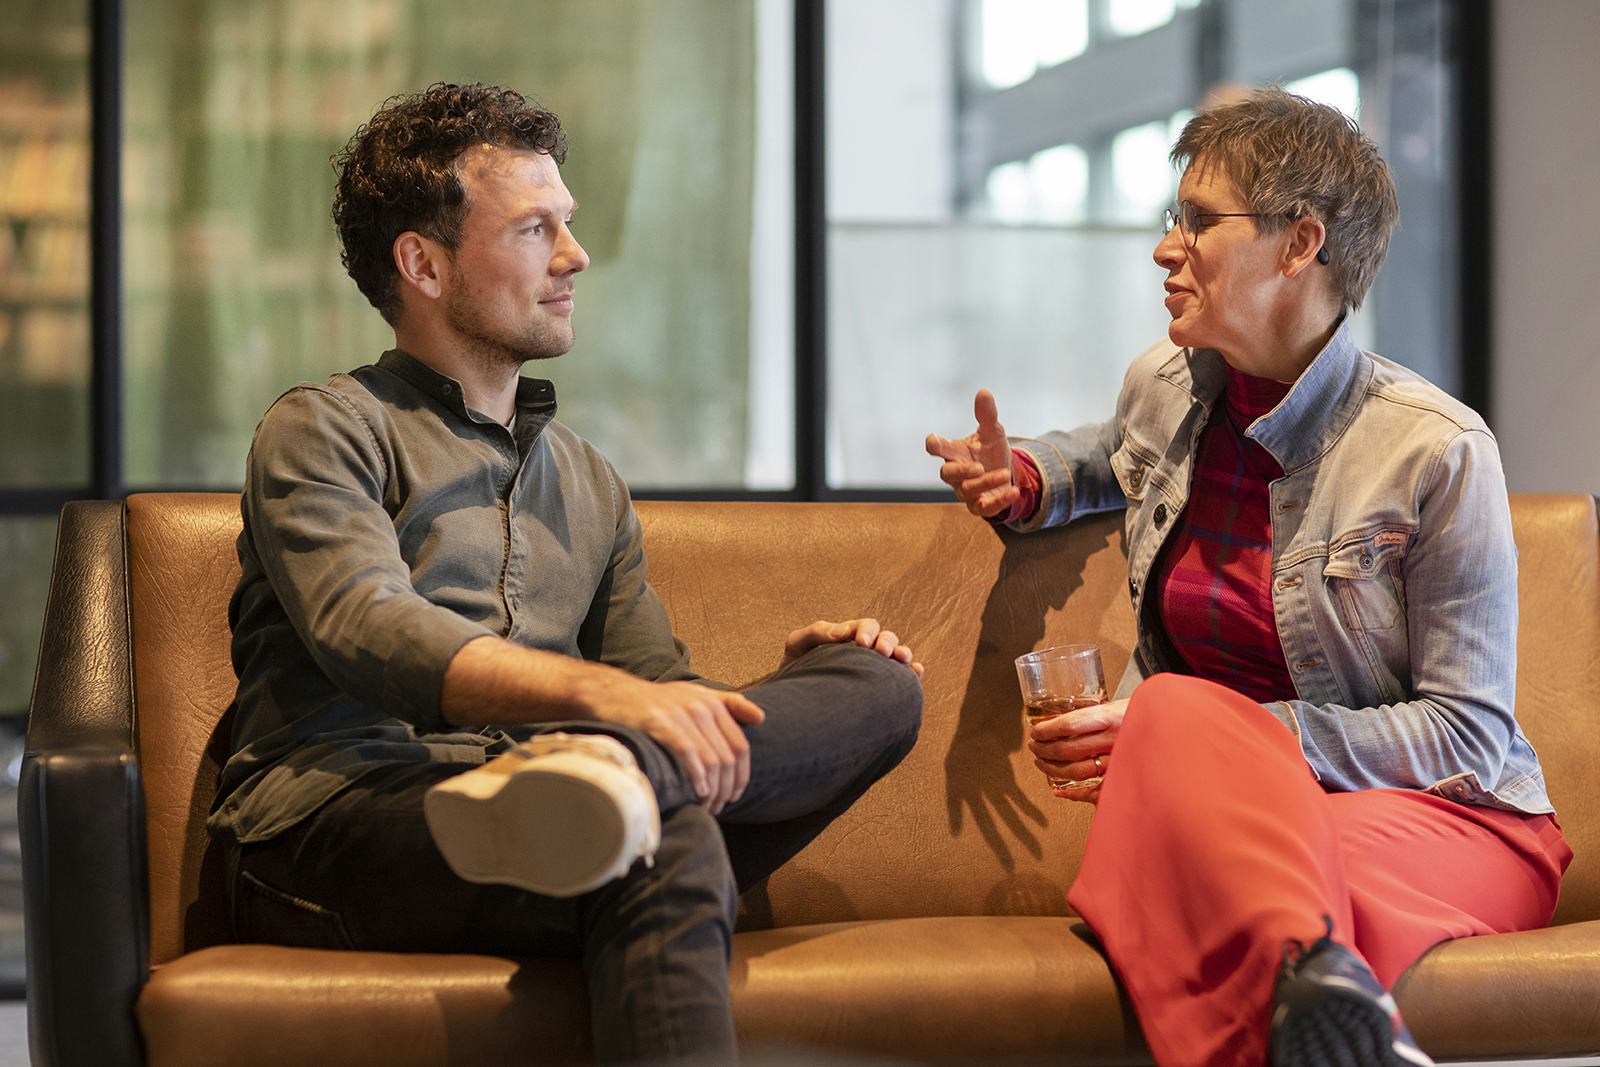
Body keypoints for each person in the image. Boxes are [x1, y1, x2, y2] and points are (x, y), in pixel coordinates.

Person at [207, 82, 924, 1065]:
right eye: (535, 228)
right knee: (661, 834)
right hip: (339, 819)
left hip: (567, 807)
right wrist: (602, 701)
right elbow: (365, 623)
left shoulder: (587, 479)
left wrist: (760, 697)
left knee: (878, 685)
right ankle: (616, 784)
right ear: (422, 263)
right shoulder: (325, 428)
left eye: (567, 223)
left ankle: (620, 779)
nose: (576, 255)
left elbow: (657, 682)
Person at [926, 88, 1569, 1067]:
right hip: (1246, 824)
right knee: (1240, 876)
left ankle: (1304, 967)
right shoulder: (1163, 385)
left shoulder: (1435, 449)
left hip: (1445, 819)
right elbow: (1110, 452)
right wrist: (1025, 477)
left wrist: (1240, 738)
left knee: (1189, 832)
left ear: (1299, 243)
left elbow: (1468, 735)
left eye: (1197, 220)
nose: (1164, 247)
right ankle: (1333, 1007)